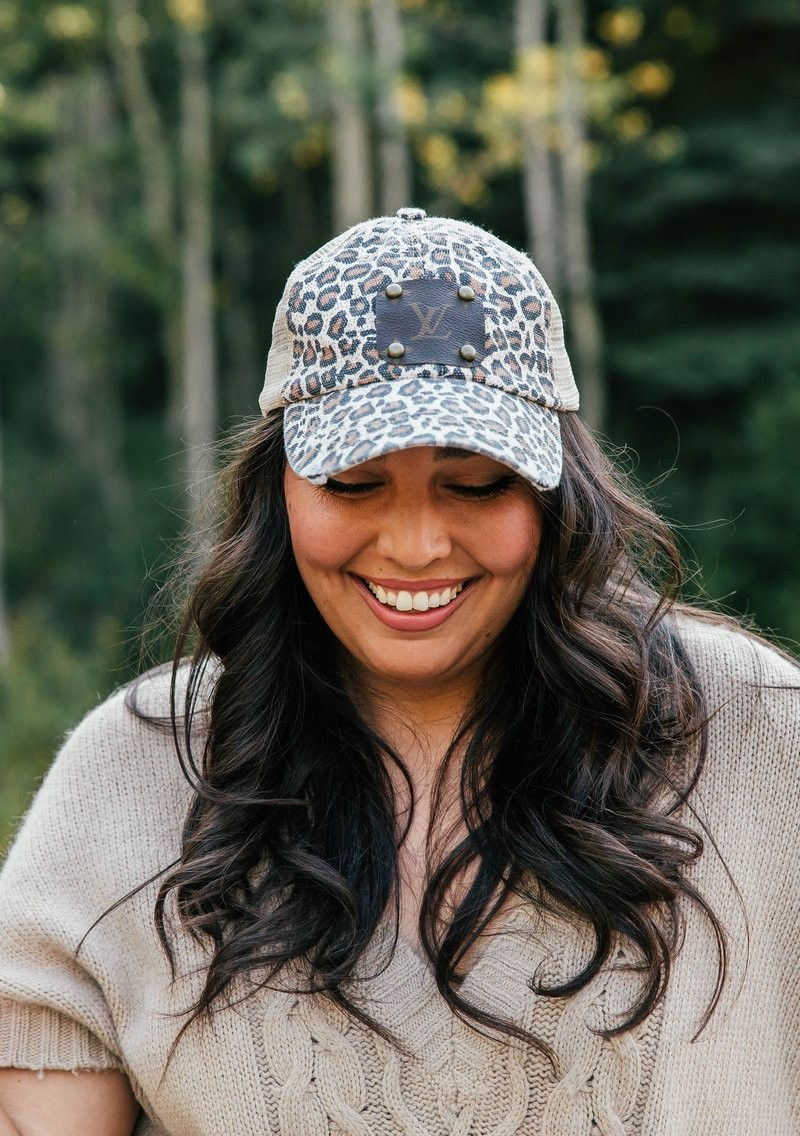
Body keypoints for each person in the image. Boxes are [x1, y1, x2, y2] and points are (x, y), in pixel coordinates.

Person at [0, 208, 798, 1136]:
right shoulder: (132, 778)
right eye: (354, 483)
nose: (416, 544)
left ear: (558, 494)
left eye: (475, 484)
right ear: (279, 491)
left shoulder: (763, 740)